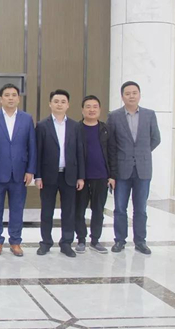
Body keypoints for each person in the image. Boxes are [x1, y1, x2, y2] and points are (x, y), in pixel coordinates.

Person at [107, 81, 161, 255]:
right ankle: (119, 240)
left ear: (139, 95)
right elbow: (111, 144)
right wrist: (112, 171)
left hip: (143, 170)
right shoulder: (114, 116)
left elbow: (156, 138)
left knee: (141, 209)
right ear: (122, 96)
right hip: (121, 170)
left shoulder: (149, 115)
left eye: (134, 93)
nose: (131, 96)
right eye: (127, 93)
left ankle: (140, 241)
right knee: (120, 208)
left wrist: (141, 153)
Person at [0, 83, 36, 257]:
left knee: (17, 209)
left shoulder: (26, 119)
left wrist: (30, 170)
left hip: (20, 172)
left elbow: (32, 146)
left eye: (14, 95)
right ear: (1, 99)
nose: (10, 98)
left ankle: (15, 241)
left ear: (18, 99)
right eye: (7, 95)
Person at [35, 89, 85, 258]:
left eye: (63, 102)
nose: (59, 104)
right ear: (50, 104)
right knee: (46, 211)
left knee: (68, 211)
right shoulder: (42, 125)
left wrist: (81, 176)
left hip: (69, 175)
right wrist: (38, 176)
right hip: (48, 175)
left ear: (68, 105)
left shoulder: (75, 126)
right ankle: (46, 242)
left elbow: (80, 152)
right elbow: (38, 152)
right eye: (56, 101)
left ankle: (66, 243)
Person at [74, 95, 112, 254]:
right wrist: (78, 176)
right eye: (88, 106)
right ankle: (81, 240)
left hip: (101, 176)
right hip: (81, 177)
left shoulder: (105, 129)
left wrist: (112, 175)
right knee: (79, 210)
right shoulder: (75, 129)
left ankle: (95, 240)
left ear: (100, 109)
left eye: (95, 106)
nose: (91, 110)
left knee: (98, 210)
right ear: (82, 110)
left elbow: (112, 153)